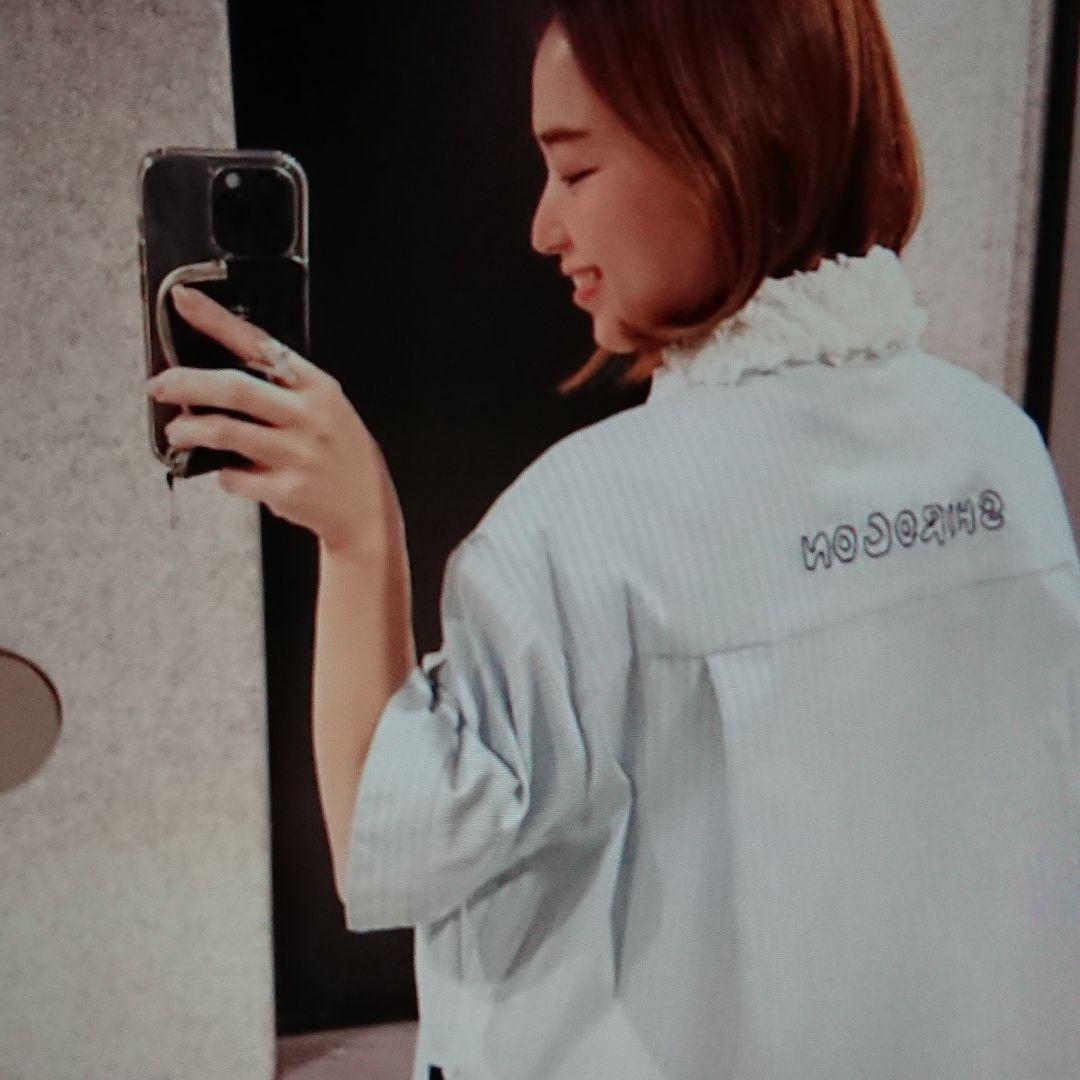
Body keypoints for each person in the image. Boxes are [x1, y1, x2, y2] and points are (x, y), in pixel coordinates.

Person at [146, 2, 1080, 1078]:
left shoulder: (577, 525)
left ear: (730, 136)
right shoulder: (995, 448)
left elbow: (393, 844)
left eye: (575, 170)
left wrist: (360, 537)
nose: (545, 227)